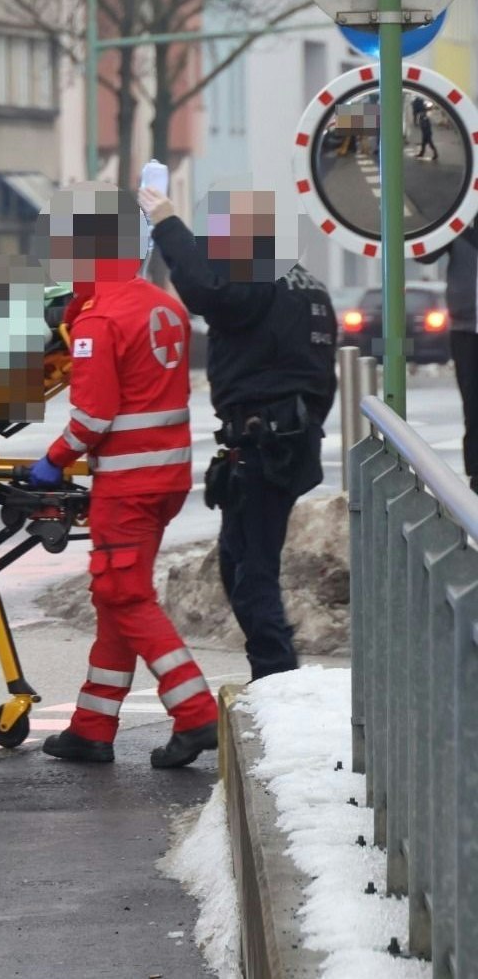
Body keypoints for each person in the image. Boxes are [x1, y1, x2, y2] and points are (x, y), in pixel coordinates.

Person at [29, 181, 221, 769]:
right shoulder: (164, 305)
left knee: (123, 593)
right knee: (117, 595)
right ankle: (92, 727)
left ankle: (195, 713)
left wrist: (52, 460)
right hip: (166, 478)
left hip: (128, 484)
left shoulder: (99, 321)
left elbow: (93, 417)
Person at [141, 185, 337, 680]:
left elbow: (207, 292)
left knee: (251, 570)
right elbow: (321, 374)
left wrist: (167, 224)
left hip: (265, 440)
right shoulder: (306, 285)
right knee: (237, 561)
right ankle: (274, 673)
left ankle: (276, 678)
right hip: (286, 437)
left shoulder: (256, 278)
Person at [419, 226, 478, 491]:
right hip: (466, 328)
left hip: (465, 324)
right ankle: (476, 474)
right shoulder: (460, 220)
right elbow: (425, 255)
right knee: (473, 404)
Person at [414, 96, 439, 161]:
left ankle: (435, 154)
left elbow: (425, 124)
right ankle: (422, 153)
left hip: (427, 132)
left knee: (430, 143)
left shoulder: (424, 116)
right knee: (424, 143)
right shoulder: (423, 115)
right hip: (426, 132)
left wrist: (423, 128)